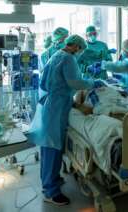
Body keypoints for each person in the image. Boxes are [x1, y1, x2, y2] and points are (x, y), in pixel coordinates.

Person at [30, 35, 105, 206]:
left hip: (53, 104)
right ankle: (50, 191)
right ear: (76, 47)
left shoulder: (57, 55)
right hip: (56, 108)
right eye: (81, 50)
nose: (80, 53)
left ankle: (52, 179)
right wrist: (93, 83)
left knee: (50, 147)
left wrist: (71, 101)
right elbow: (75, 82)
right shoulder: (69, 58)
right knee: (52, 147)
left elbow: (51, 84)